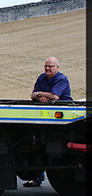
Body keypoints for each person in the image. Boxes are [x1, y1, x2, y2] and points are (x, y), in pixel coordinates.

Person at [25, 57, 73, 187]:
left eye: (50, 66)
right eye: (46, 66)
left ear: (57, 67)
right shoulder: (42, 77)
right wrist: (41, 95)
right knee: (37, 142)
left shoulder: (61, 79)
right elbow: (32, 95)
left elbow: (55, 96)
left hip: (63, 115)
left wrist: (39, 93)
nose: (47, 69)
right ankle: (37, 178)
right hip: (44, 113)